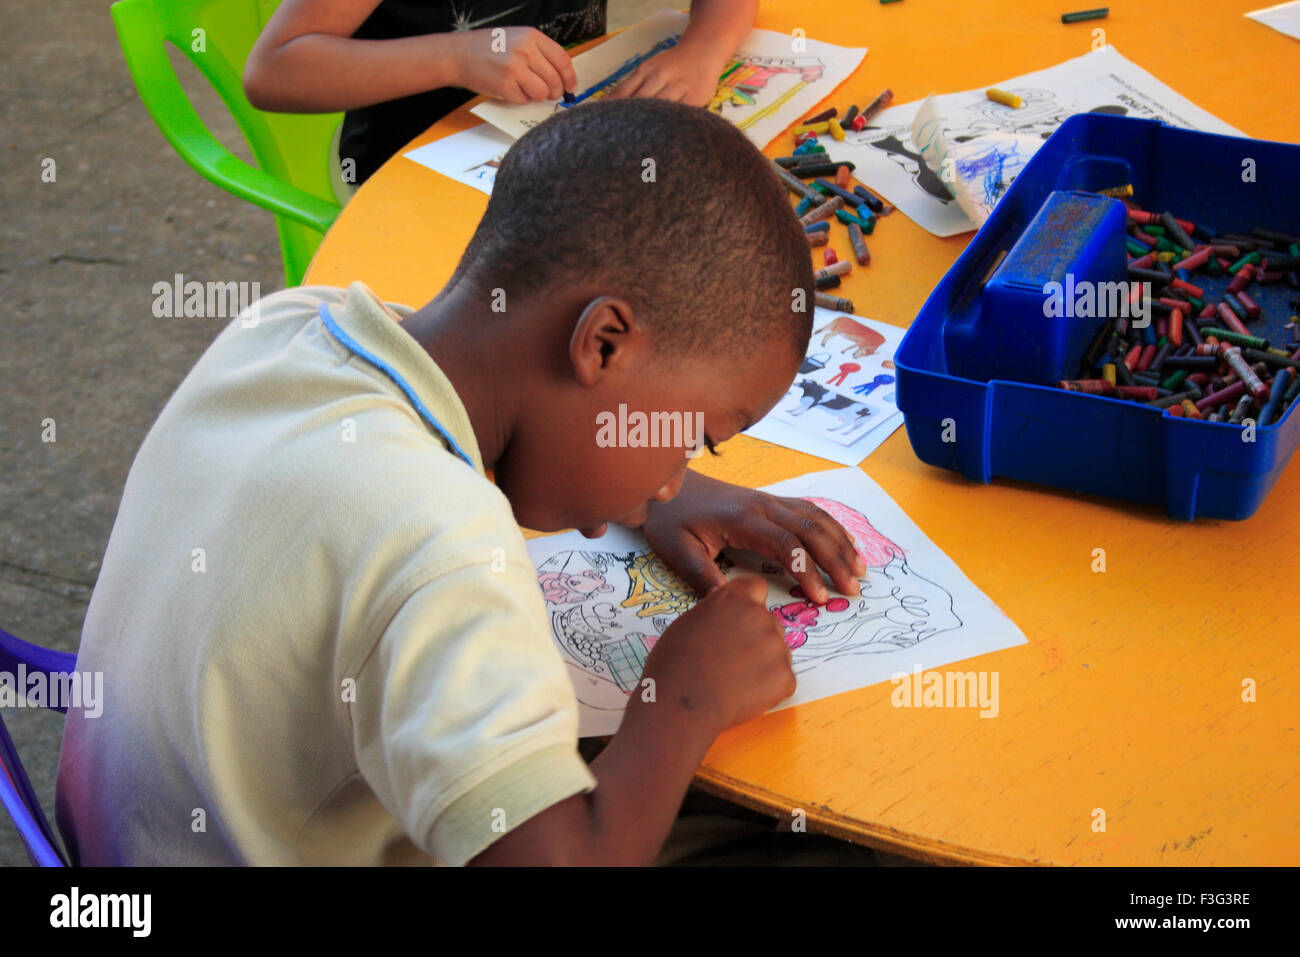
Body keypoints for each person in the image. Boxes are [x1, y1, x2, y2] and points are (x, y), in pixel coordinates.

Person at [56, 99, 867, 865]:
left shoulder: (291, 325)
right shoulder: (443, 545)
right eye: (690, 440)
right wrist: (680, 702)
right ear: (604, 344)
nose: (673, 475)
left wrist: (651, 490)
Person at [243, 0, 759, 184]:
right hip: (415, 170)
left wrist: (703, 49)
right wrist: (456, 56)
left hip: (566, 157)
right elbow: (274, 70)